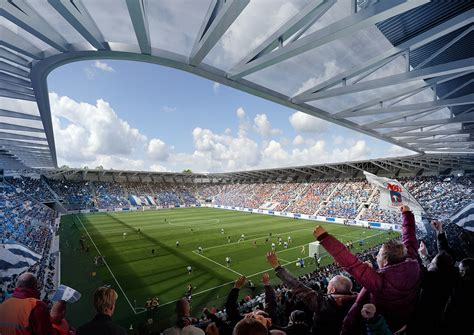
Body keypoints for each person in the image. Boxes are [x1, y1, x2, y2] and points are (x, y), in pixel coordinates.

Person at [313, 205, 421, 334]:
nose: (376, 256)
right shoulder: (412, 262)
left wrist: (325, 238)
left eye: (379, 254)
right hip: (407, 317)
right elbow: (409, 238)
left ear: (385, 261)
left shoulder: (380, 283)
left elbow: (351, 264)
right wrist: (407, 214)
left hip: (388, 325)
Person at [266, 251, 356, 335]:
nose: (327, 287)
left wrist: (278, 268)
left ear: (333, 290)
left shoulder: (325, 305)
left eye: (329, 285)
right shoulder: (358, 301)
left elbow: (298, 287)